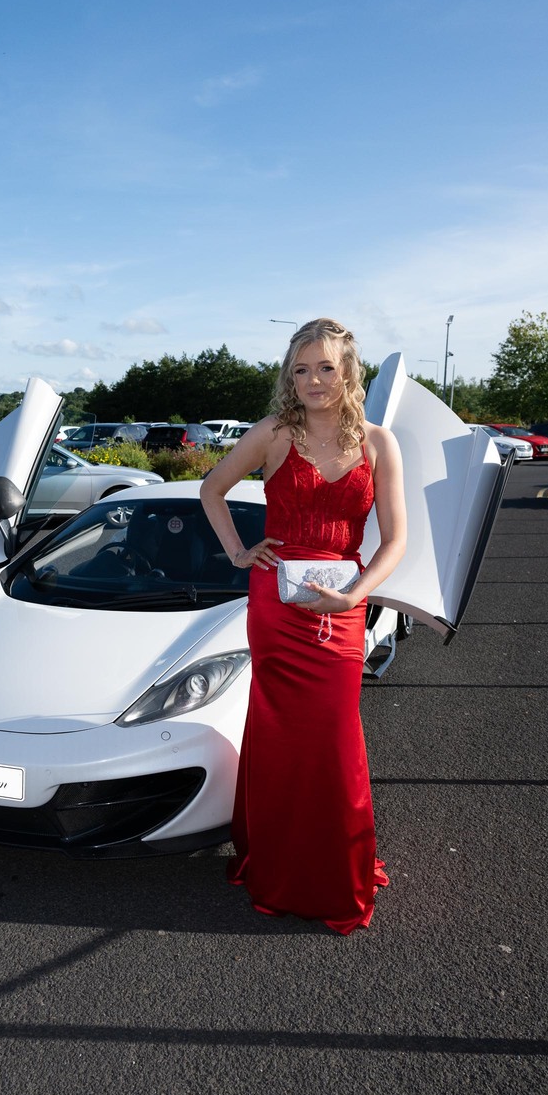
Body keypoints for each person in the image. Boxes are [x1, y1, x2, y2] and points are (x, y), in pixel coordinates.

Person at [200, 318, 406, 934]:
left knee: (334, 739)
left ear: (348, 372)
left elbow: (395, 541)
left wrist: (354, 598)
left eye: (325, 367)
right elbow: (212, 490)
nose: (313, 380)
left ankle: (333, 870)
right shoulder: (272, 433)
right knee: (281, 736)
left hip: (343, 606)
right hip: (277, 605)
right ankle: (278, 866)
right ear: (289, 378)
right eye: (301, 369)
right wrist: (240, 553)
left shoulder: (379, 443)